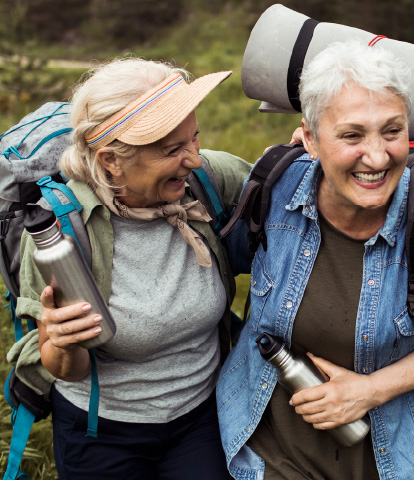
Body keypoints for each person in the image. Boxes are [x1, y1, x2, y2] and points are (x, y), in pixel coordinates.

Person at [216, 41, 414, 480]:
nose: (378, 157)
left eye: (391, 130)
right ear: (309, 138)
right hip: (264, 455)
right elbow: (222, 269)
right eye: (352, 135)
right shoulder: (276, 187)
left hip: (386, 462)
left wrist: (370, 391)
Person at [16, 57, 253, 480]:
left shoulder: (207, 181)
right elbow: (64, 367)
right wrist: (62, 343)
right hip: (101, 431)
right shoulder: (59, 231)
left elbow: (293, 192)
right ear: (111, 160)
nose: (194, 159)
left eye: (194, 138)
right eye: (172, 149)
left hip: (201, 416)